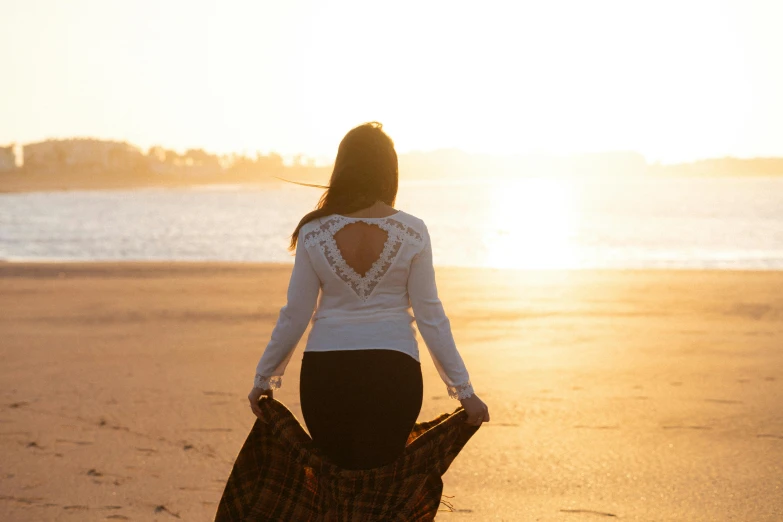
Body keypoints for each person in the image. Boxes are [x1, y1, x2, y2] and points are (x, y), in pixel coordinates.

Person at [247, 121, 489, 471]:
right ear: (389, 171)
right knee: (378, 486)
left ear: (342, 167)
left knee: (337, 487)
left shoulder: (314, 231)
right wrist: (464, 392)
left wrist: (264, 378)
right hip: (393, 370)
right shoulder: (412, 230)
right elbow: (430, 316)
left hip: (326, 372)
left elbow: (295, 314)